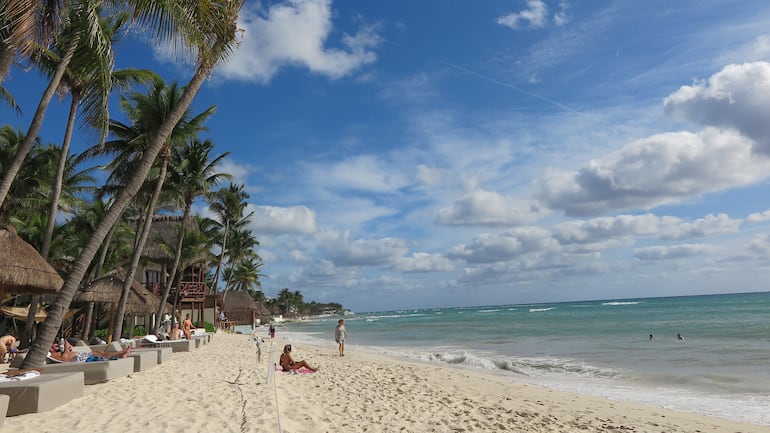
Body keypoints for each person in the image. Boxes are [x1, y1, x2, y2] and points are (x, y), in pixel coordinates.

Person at [49, 341, 132, 362]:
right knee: (102, 355)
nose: (55, 346)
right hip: (78, 359)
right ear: (50, 349)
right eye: (53, 346)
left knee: (100, 352)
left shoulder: (59, 351)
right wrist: (66, 348)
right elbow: (65, 358)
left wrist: (68, 346)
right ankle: (121, 354)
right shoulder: (53, 355)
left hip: (79, 356)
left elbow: (69, 350)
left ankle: (121, 353)